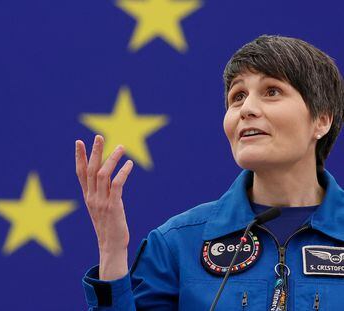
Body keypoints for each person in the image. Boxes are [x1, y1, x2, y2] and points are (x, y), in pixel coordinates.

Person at [75, 35, 344, 310]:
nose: (247, 109)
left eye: (272, 91)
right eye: (237, 96)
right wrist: (112, 251)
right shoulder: (176, 244)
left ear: (321, 119)